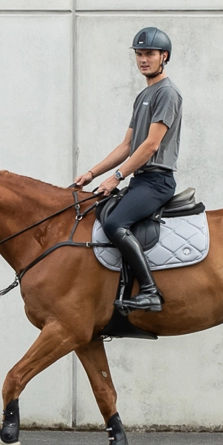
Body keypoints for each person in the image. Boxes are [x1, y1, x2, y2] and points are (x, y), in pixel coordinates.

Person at [73, 26, 182, 312]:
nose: (143, 60)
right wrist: (92, 173)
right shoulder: (144, 95)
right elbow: (127, 145)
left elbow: (150, 146)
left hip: (157, 181)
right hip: (142, 180)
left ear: (164, 56)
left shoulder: (167, 93)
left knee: (114, 224)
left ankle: (150, 291)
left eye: (150, 54)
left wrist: (117, 177)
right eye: (139, 54)